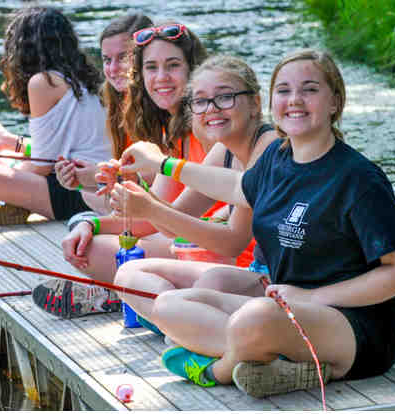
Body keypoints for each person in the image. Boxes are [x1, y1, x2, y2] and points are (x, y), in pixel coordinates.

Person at [111, 49, 395, 398]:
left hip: (355, 325)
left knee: (254, 319)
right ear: (272, 102)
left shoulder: (359, 178)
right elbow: (235, 187)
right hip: (284, 307)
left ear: (335, 102)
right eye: (284, 90)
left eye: (309, 89)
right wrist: (163, 165)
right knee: (169, 306)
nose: (295, 100)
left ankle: (219, 368)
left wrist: (312, 296)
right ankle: (270, 362)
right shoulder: (277, 157)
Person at [32, 22, 210, 316]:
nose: (161, 77)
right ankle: (128, 293)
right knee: (88, 236)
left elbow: (167, 219)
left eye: (173, 65)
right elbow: (158, 214)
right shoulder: (172, 130)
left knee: (102, 248)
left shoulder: (207, 127)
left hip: (210, 253)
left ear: (193, 69)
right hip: (183, 239)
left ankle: (120, 294)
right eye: (151, 68)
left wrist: (125, 192)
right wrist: (92, 224)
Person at [111, 54, 278, 332]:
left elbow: (232, 242)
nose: (211, 109)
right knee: (129, 274)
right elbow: (170, 225)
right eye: (200, 101)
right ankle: (182, 323)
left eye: (225, 97)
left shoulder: (269, 145)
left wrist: (157, 181)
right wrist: (134, 189)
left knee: (212, 283)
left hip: (277, 282)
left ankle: (182, 325)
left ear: (255, 103)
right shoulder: (224, 150)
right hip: (250, 277)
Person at [0, 6, 112, 226]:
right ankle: (15, 201)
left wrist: (9, 169)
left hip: (75, 192)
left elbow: (42, 166)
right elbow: (56, 152)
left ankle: (13, 202)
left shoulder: (43, 82)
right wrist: (12, 143)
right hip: (94, 184)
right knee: (2, 156)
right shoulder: (85, 78)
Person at [53, 13, 153, 214]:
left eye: (123, 57)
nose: (113, 69)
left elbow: (160, 175)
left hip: (166, 202)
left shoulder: (158, 103)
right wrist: (78, 180)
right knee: (87, 193)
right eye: (107, 60)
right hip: (142, 197)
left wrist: (97, 174)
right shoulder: (117, 103)